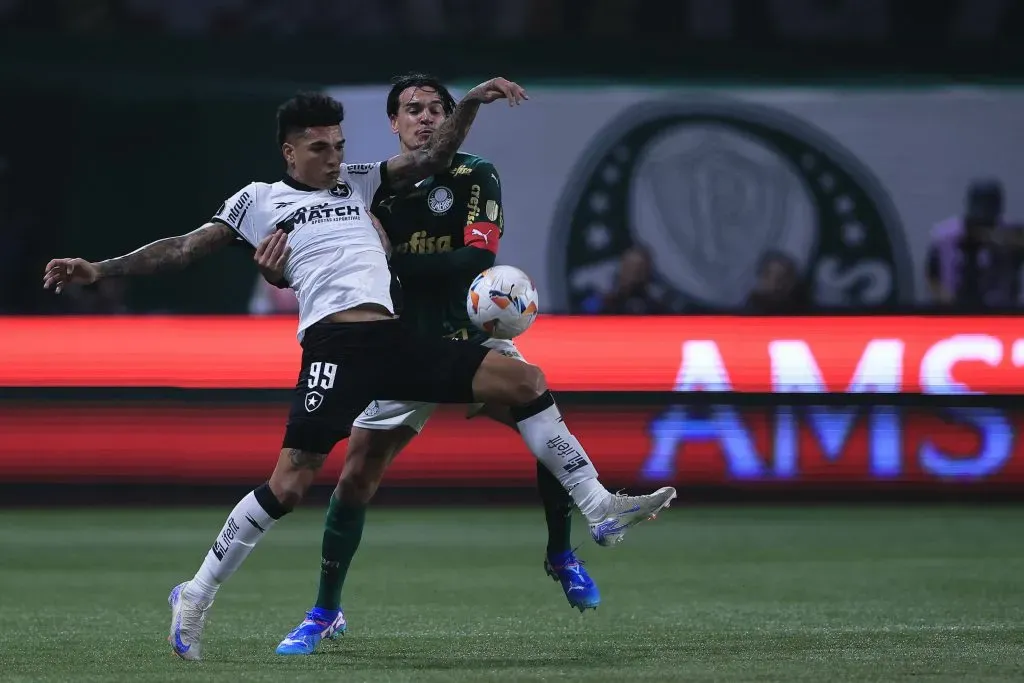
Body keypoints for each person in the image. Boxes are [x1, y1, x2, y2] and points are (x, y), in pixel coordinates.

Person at [42, 83, 677, 662]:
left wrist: (473, 103)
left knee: (526, 381)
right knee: (289, 486)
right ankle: (196, 591)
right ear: (290, 153)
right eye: (320, 149)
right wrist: (102, 268)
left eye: (339, 146)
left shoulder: (362, 181)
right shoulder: (258, 202)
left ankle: (599, 507)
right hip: (334, 350)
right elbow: (179, 250)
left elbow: (431, 160)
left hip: (395, 339)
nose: (333, 159)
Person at [254, 74, 599, 658]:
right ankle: (325, 610)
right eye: (413, 109)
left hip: (467, 340)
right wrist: (276, 271)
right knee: (356, 474)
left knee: (541, 417)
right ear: (393, 123)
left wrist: (394, 262)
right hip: (398, 348)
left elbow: (475, 258)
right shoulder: (366, 189)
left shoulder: (474, 174)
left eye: (437, 108)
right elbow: (324, 267)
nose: (426, 118)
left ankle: (562, 553)